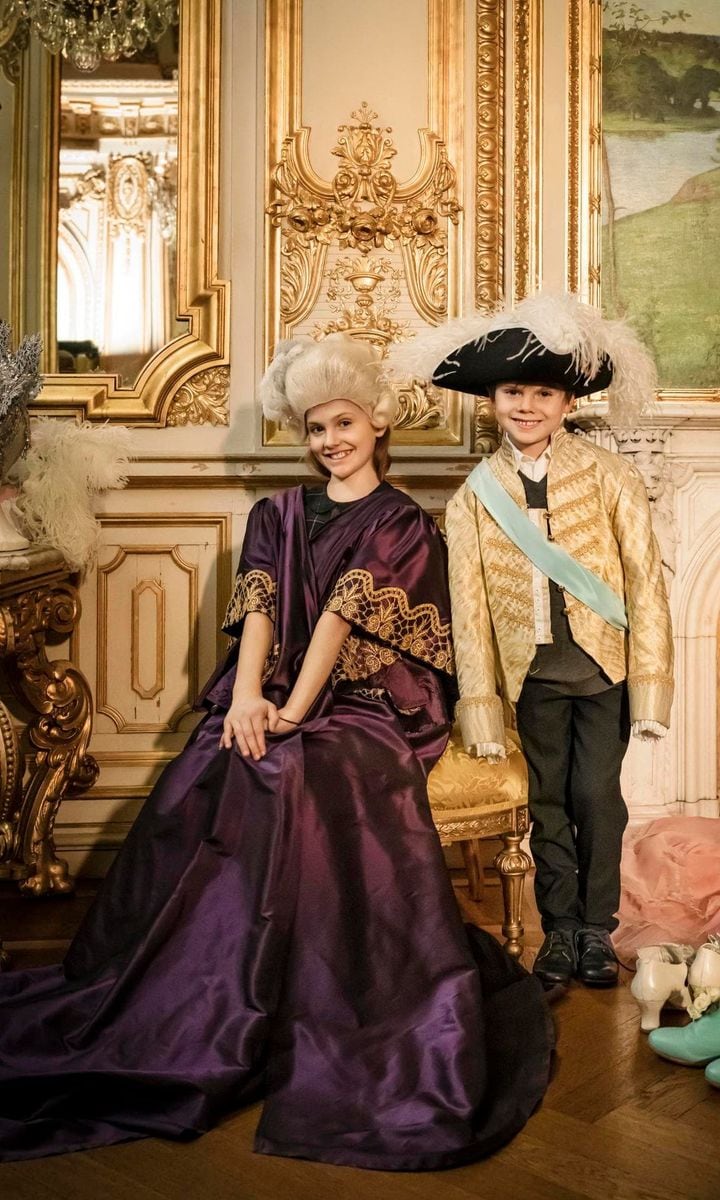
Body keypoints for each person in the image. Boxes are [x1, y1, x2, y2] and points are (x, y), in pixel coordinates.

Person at [0, 333, 553, 1170]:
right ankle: (206, 994)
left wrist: (292, 713)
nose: (329, 440)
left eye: (342, 423)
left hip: (369, 702)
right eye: (314, 428)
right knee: (216, 760)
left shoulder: (401, 521)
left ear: (375, 424)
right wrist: (251, 696)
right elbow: (261, 609)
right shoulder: (277, 513)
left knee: (296, 766)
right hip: (277, 689)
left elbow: (340, 620)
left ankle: (303, 995)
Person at [388, 293, 674, 992]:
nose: (527, 406)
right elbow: (472, 611)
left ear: (567, 403)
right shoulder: (474, 497)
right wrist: (480, 704)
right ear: (491, 400)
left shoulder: (613, 478)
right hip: (533, 676)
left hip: (604, 669)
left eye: (543, 393)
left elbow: (645, 585)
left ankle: (597, 931)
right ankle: (559, 933)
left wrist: (651, 683)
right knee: (545, 800)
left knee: (595, 796)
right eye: (514, 391)